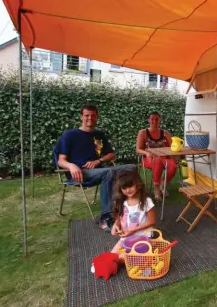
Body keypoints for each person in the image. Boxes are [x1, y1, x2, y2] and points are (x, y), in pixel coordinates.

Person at [57, 103, 137, 232]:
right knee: (109, 173)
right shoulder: (70, 135)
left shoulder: (99, 135)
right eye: (86, 115)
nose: (90, 118)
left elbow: (111, 154)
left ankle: (132, 207)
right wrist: (71, 166)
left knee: (132, 168)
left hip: (99, 170)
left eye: (93, 116)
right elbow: (61, 160)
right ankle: (106, 217)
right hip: (80, 173)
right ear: (81, 117)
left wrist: (98, 160)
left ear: (97, 117)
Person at [110, 170, 156, 264]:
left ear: (137, 184)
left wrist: (133, 230)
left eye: (130, 186)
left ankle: (148, 251)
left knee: (122, 259)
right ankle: (141, 256)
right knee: (112, 257)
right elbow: (119, 218)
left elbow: (152, 221)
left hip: (142, 237)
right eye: (124, 188)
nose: (128, 190)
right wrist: (115, 226)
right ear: (120, 189)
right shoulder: (122, 201)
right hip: (126, 238)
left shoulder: (146, 202)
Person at [135, 111, 178, 201]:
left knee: (173, 166)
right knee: (157, 160)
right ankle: (156, 188)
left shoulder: (165, 133)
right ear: (148, 120)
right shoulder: (143, 132)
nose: (154, 121)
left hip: (164, 158)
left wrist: (173, 160)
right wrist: (147, 153)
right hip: (148, 159)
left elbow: (172, 148)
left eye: (157, 119)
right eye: (152, 119)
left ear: (160, 120)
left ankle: (163, 185)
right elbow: (138, 149)